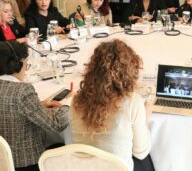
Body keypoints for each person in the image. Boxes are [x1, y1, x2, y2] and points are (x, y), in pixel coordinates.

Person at [70, 39, 154, 171]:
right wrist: (146, 118)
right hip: (117, 168)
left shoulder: (76, 100)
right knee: (149, 160)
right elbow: (141, 152)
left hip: (86, 167)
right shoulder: (132, 101)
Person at [0, 40, 69, 171]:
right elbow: (55, 124)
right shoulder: (22, 91)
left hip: (2, 161)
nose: (26, 69)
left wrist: (40, 105)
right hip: (26, 163)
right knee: (62, 145)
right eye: (26, 64)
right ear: (16, 64)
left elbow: (10, 106)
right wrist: (67, 105)